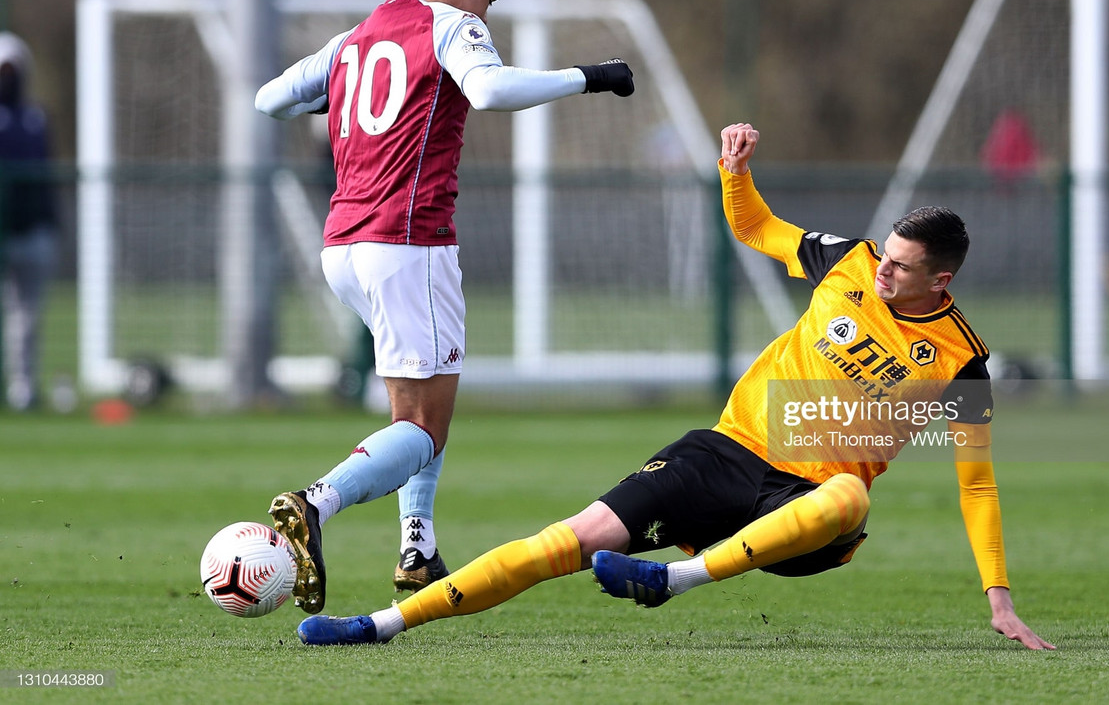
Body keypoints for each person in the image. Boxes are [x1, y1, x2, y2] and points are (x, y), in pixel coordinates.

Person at [295, 122, 1054, 651]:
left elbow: (977, 484)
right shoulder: (847, 261)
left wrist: (1000, 599)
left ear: (941, 279)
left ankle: (672, 579)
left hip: (806, 511)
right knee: (567, 540)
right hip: (724, 453)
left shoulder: (963, 360)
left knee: (852, 499)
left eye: (900, 266)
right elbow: (758, 228)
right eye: (884, 254)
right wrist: (735, 172)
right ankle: (378, 624)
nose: (882, 268)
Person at [253, 0, 635, 613]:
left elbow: (271, 98)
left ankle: (417, 547)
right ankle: (315, 502)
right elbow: (488, 91)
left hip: (343, 242)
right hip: (408, 243)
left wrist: (339, 94)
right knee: (425, 425)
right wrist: (591, 77)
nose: (489, 11)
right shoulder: (452, 25)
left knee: (417, 409)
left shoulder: (362, 33)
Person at [0, 33, 59, 412]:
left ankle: (23, 387)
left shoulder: (35, 118)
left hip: (32, 231)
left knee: (27, 317)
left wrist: (50, 221)